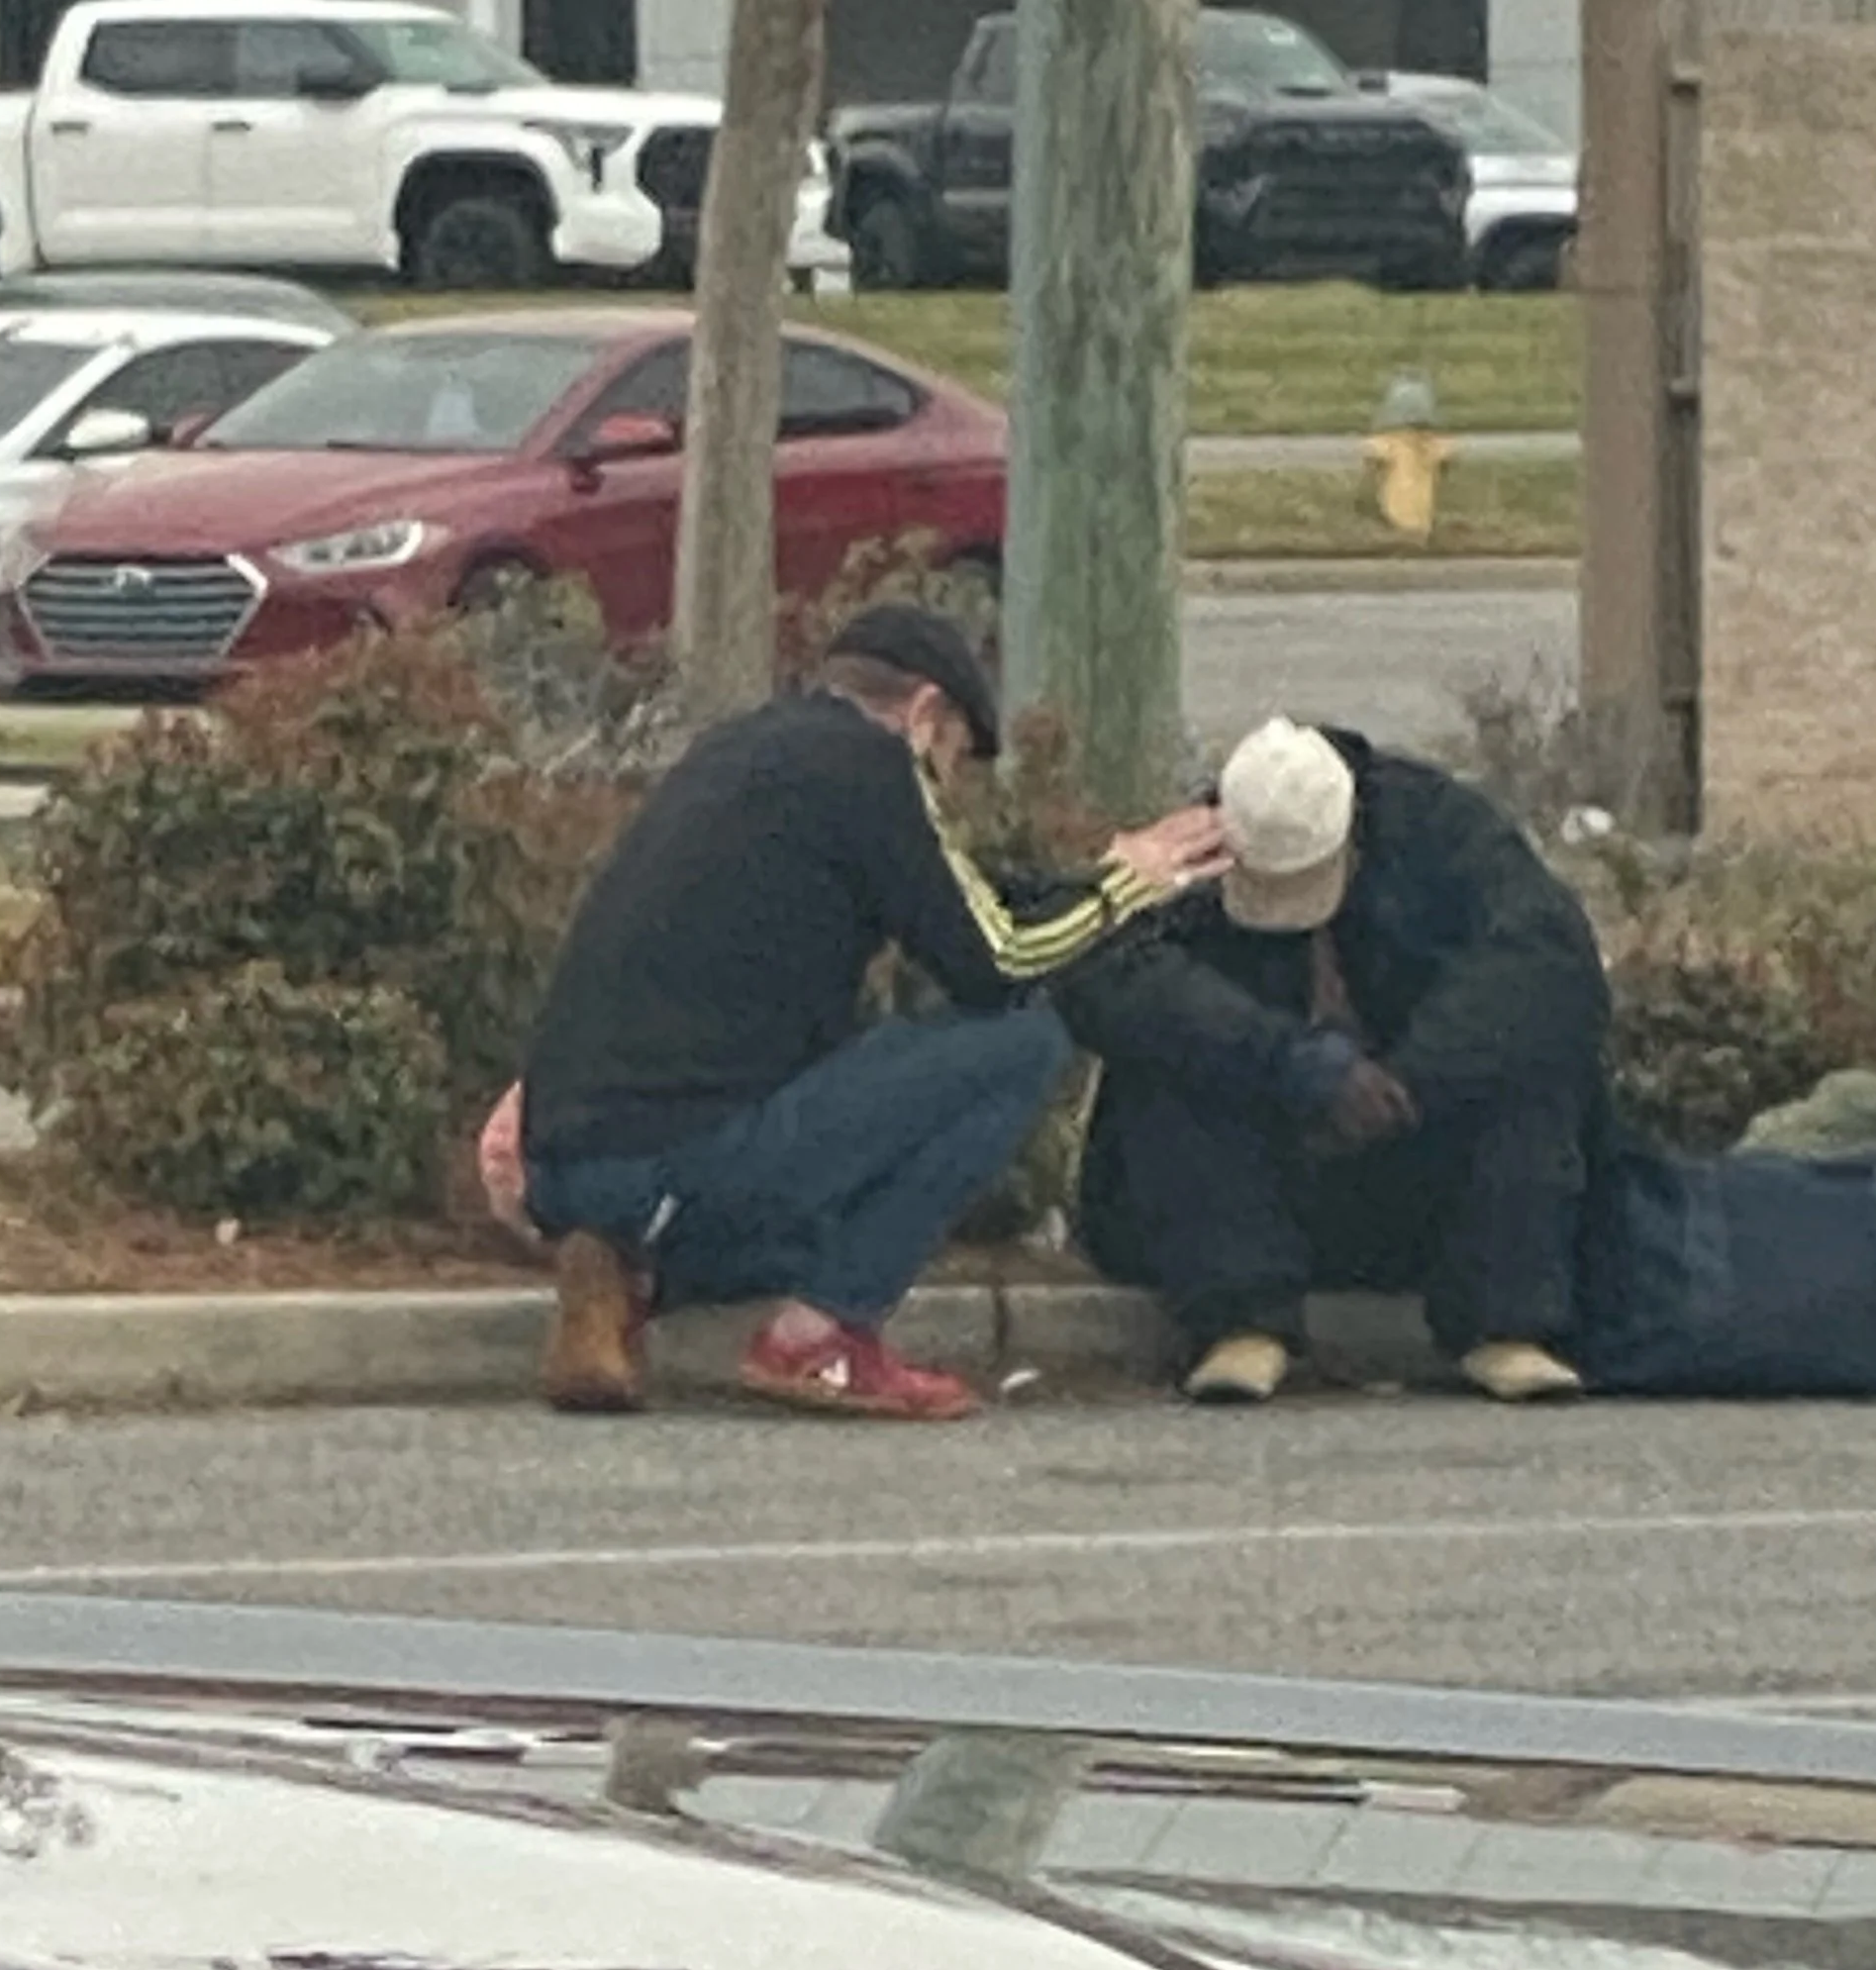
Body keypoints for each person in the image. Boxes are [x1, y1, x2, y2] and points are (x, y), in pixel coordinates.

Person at [515, 602, 1227, 1423]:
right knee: (1024, 1042)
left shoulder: (743, 750)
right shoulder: (877, 769)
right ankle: (823, 1331)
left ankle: (627, 1272)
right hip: (682, 1157)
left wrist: (1085, 878)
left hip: (569, 1157)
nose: (949, 792)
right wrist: (1127, 882)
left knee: (822, 1173)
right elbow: (997, 962)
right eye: (955, 758)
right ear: (926, 714)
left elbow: (956, 911)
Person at [1058, 716, 1611, 1407]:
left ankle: (1506, 1318)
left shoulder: (1441, 828)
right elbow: (1109, 969)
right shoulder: (1190, 844)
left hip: (1415, 1147)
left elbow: (1547, 954)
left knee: (1526, 1053)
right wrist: (1288, 1061)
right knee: (1173, 1049)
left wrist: (1413, 1077)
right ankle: (1239, 1318)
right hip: (1246, 1178)